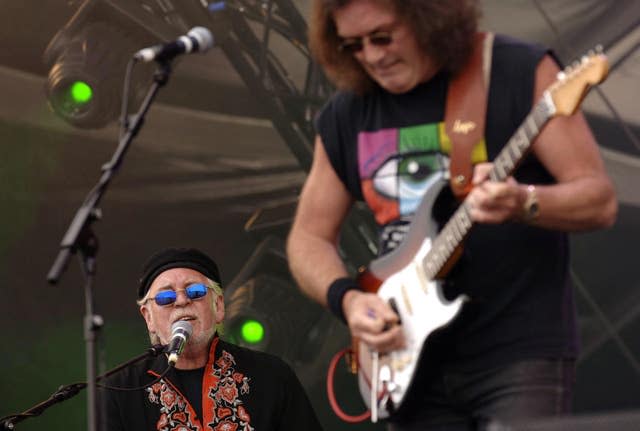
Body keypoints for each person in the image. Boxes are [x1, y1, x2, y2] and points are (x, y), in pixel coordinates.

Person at [286, 0, 618, 429]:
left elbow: (599, 200)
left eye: (383, 36)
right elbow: (308, 237)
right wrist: (348, 300)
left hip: (516, 349)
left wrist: (525, 202)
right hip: (408, 362)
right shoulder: (346, 114)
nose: (372, 56)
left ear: (429, 19)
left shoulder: (513, 69)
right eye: (354, 45)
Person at [101, 247, 323, 431]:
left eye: (195, 292)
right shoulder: (121, 389)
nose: (180, 301)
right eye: (165, 297)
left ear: (218, 306)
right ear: (148, 318)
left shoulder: (273, 376)